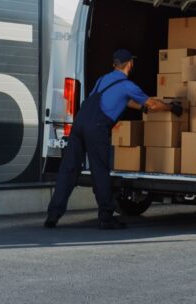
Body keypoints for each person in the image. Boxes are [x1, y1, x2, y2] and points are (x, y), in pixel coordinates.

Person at [45, 49, 182, 230]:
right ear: (130, 64)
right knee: (100, 172)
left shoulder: (103, 80)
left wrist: (140, 108)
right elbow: (153, 104)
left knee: (68, 169)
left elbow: (118, 100)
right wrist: (171, 107)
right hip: (97, 128)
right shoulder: (128, 85)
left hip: (79, 124)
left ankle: (52, 216)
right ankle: (106, 218)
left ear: (114, 64)